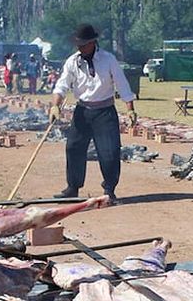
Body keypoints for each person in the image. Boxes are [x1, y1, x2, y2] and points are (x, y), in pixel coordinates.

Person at [49, 24, 136, 205]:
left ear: (93, 42)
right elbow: (62, 85)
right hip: (82, 111)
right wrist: (55, 106)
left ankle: (109, 190)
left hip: (105, 112)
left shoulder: (108, 60)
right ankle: (73, 187)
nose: (80, 48)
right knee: (73, 148)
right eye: (78, 45)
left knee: (110, 152)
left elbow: (122, 84)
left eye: (83, 44)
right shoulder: (72, 61)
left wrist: (130, 109)